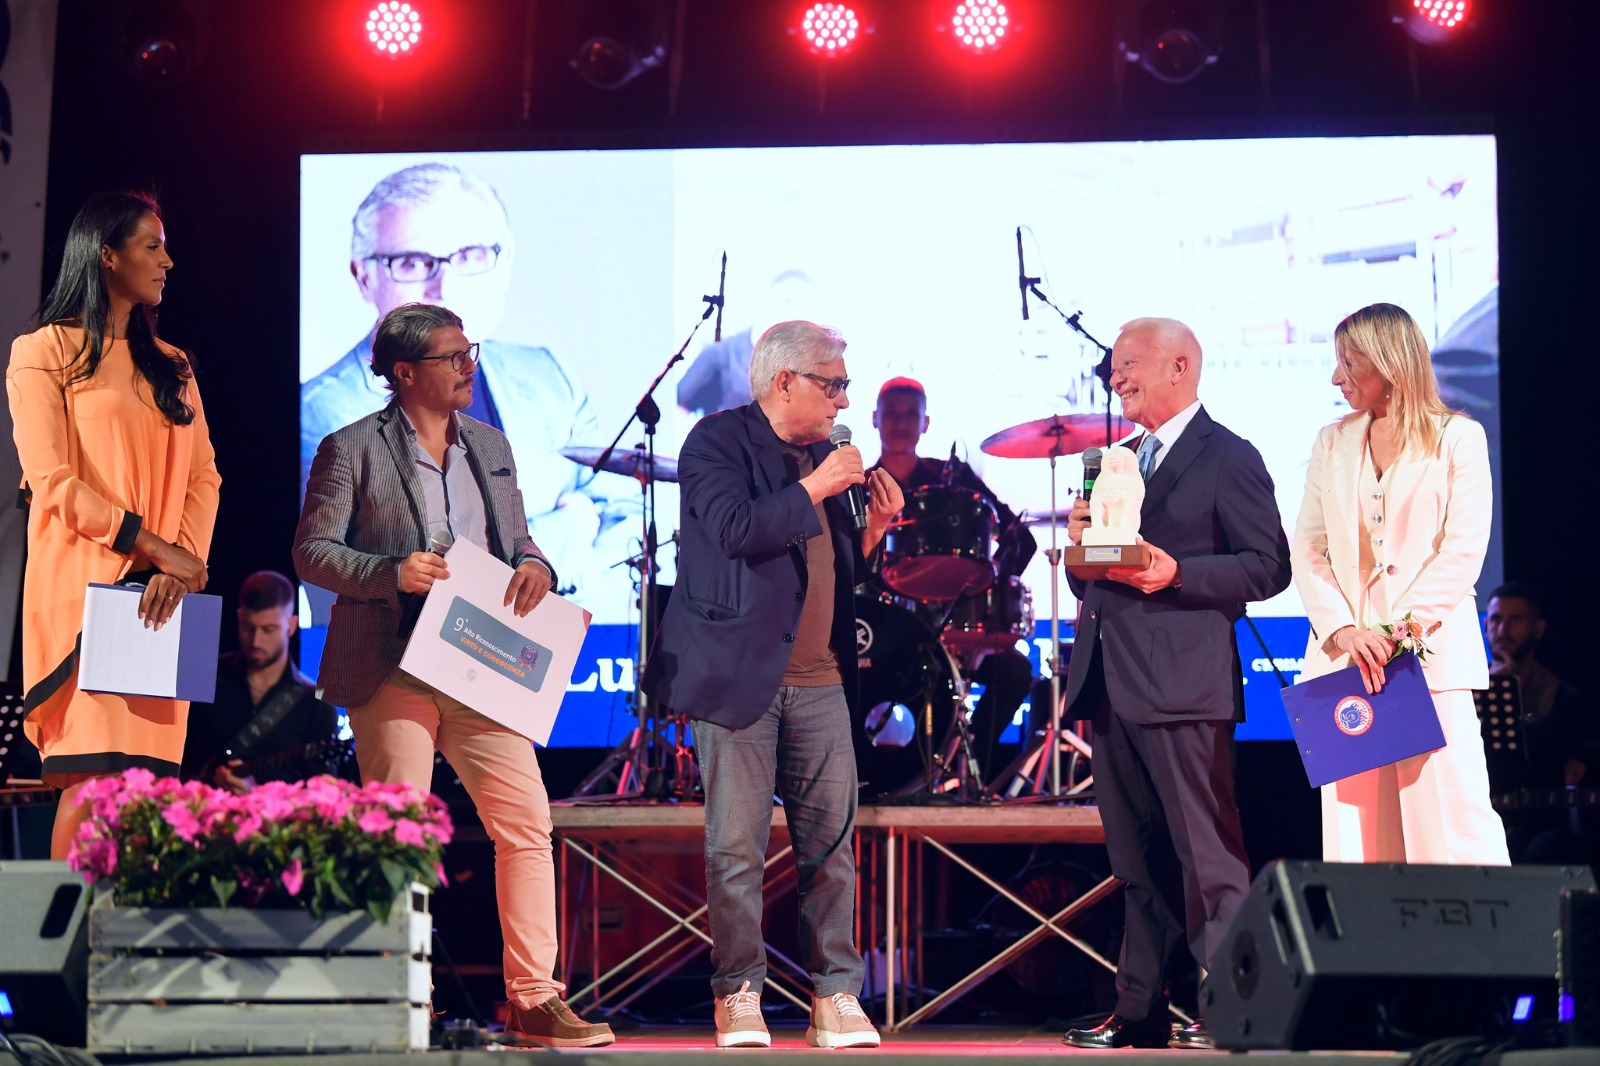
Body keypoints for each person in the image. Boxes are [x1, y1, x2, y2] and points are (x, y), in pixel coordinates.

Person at [294, 302, 612, 1048]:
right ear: (405, 373)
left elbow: (520, 540)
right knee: (402, 830)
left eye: (471, 352)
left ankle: (534, 1000)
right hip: (390, 661)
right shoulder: (350, 446)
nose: (470, 365)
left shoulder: (490, 444)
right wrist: (390, 572)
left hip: (481, 660)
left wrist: (536, 565)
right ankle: (404, 998)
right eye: (452, 356)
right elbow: (313, 552)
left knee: (527, 824)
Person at [642, 320, 902, 1049]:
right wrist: (818, 485)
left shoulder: (824, 458)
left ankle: (836, 997)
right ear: (784, 381)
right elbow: (734, 530)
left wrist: (873, 531)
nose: (844, 400)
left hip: (822, 678)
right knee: (736, 851)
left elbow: (829, 564)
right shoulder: (716, 442)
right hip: (737, 678)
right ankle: (739, 994)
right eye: (834, 384)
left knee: (832, 849)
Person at [1060, 317, 1291, 1051]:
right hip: (1111, 680)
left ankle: (1232, 1005)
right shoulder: (1117, 461)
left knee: (1206, 855)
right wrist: (1079, 548)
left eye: (1128, 364)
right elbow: (1092, 576)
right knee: (1134, 861)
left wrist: (1178, 573)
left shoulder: (1229, 455)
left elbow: (1268, 566)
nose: (1116, 377)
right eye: (1114, 367)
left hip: (1186, 685)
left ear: (1179, 367)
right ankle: (1139, 1009)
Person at [299, 162, 636, 609]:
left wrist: (527, 564)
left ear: (506, 262)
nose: (446, 286)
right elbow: (407, 562)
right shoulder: (322, 414)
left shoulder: (548, 377)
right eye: (413, 262)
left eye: (471, 256)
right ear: (363, 276)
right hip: (400, 644)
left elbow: (624, 516)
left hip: (534, 641)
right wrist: (569, 528)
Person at [6, 190, 220, 860]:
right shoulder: (43, 351)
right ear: (106, 255)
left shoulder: (174, 365)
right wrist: (155, 549)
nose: (168, 262)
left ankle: (134, 929)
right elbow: (51, 481)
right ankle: (68, 932)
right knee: (96, 784)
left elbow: (204, 477)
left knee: (152, 794)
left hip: (163, 598)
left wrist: (181, 564)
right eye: (152, 246)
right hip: (84, 595)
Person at [1291, 301, 1508, 869]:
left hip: (1428, 665)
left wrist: (1398, 633)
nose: (1336, 377)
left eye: (1349, 362)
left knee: (1451, 827)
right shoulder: (1332, 442)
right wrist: (1343, 631)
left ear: (1389, 361)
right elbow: (1308, 549)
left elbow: (1463, 550)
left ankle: (1477, 927)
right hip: (1346, 666)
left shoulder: (1458, 438)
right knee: (1356, 838)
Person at [868, 376, 1037, 786]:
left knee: (1014, 672)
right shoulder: (860, 483)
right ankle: (890, 782)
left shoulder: (951, 477)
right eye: (892, 414)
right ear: (874, 419)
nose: (901, 423)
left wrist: (983, 585)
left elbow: (1021, 539)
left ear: (926, 423)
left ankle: (970, 774)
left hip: (956, 632)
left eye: (911, 415)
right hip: (887, 632)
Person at [181, 571, 340, 793]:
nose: (256, 640)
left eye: (268, 630)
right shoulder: (205, 677)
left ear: (291, 625)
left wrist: (255, 796)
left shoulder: (316, 706)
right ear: (239, 618)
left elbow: (321, 798)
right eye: (249, 627)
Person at [1483, 582, 1595, 862]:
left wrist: (1513, 698)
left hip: (1539, 830)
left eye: (1515, 620)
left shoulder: (1564, 697)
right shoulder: (1466, 693)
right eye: (1495, 619)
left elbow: (1549, 765)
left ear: (1538, 628)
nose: (1502, 630)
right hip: (1481, 820)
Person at [676, 270, 820, 418]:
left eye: (804, 307)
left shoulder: (808, 369)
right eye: (788, 301)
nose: (794, 312)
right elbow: (677, 408)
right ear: (767, 302)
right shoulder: (719, 356)